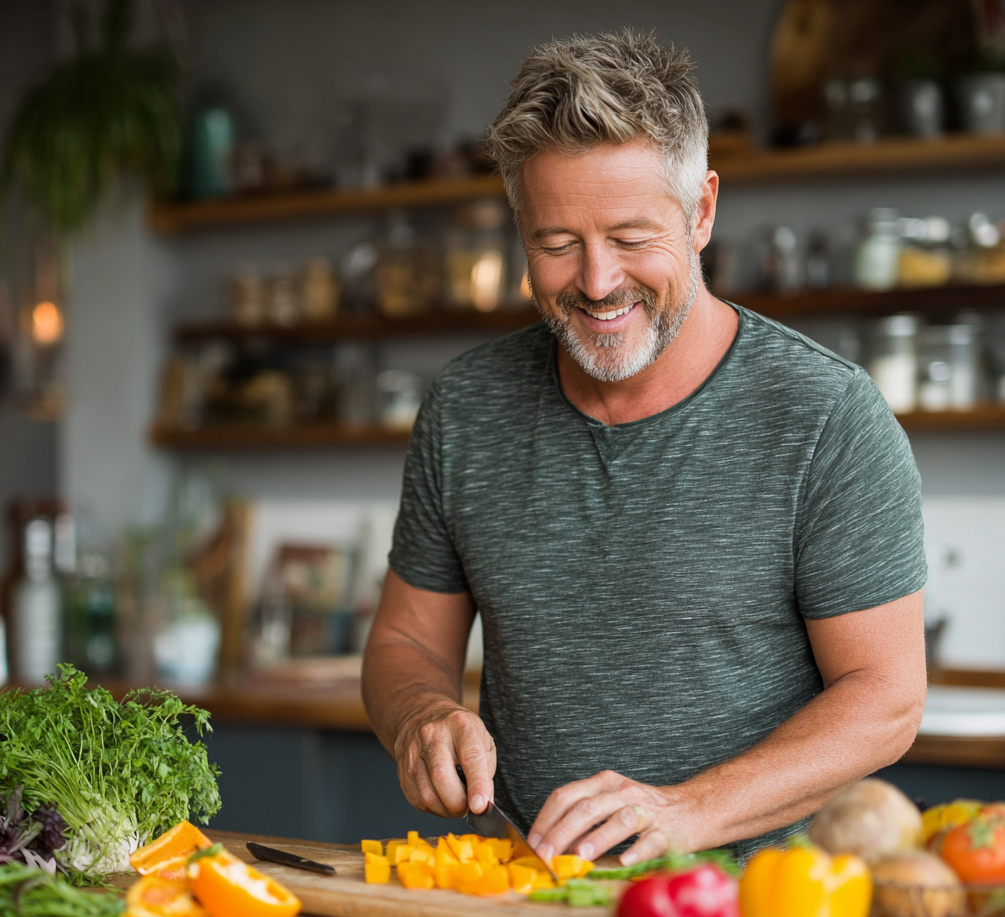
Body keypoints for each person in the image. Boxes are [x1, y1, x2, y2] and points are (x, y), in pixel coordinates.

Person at [362, 30, 927, 866]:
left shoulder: (825, 417)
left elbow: (886, 699)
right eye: (557, 244)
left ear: (701, 211)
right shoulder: (466, 410)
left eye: (630, 238)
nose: (595, 282)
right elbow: (405, 644)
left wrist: (687, 812)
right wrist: (420, 716)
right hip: (528, 903)